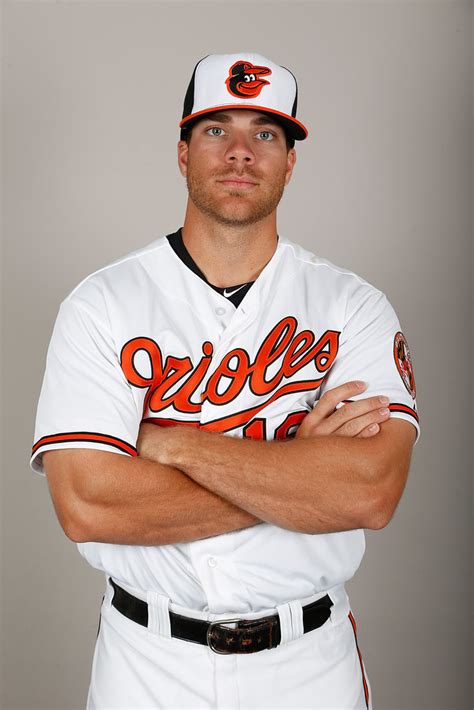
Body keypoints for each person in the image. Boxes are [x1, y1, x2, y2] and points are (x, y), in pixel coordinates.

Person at [30, 52, 420, 710]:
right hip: (147, 664)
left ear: (289, 162)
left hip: (309, 664)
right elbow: (89, 507)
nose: (241, 152)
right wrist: (300, 474)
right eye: (216, 130)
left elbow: (370, 493)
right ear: (182, 153)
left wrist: (172, 444)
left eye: (266, 134)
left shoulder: (353, 305)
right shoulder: (102, 304)